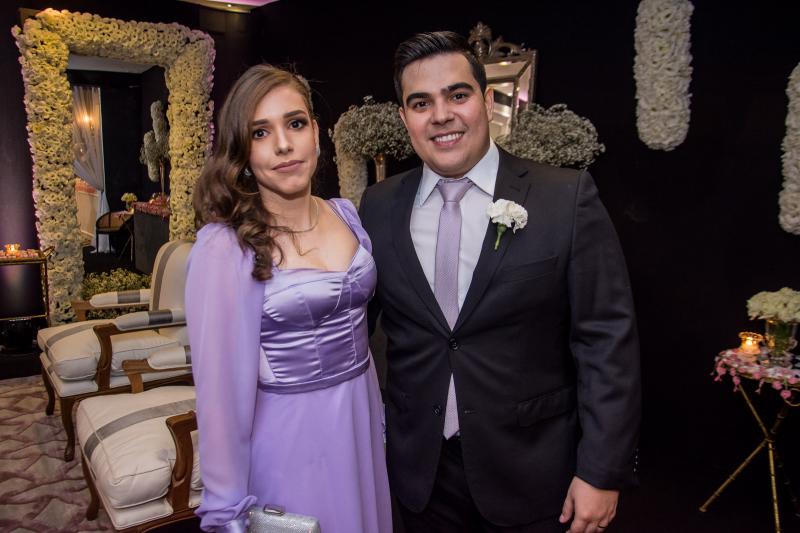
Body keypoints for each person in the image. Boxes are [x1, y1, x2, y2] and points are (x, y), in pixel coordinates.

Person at [359, 32, 641, 533]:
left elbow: (606, 342)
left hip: (534, 474)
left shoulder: (564, 198)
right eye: (421, 103)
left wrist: (602, 470)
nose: (441, 115)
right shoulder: (378, 207)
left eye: (457, 95)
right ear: (404, 118)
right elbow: (354, 328)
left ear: (487, 102)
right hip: (420, 475)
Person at [186, 64, 392, 533]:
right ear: (242, 151)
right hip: (290, 440)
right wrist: (226, 510)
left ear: (316, 133)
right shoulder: (224, 248)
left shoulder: (345, 214)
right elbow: (219, 398)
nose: (283, 144)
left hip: (360, 425)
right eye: (261, 132)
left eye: (295, 123)